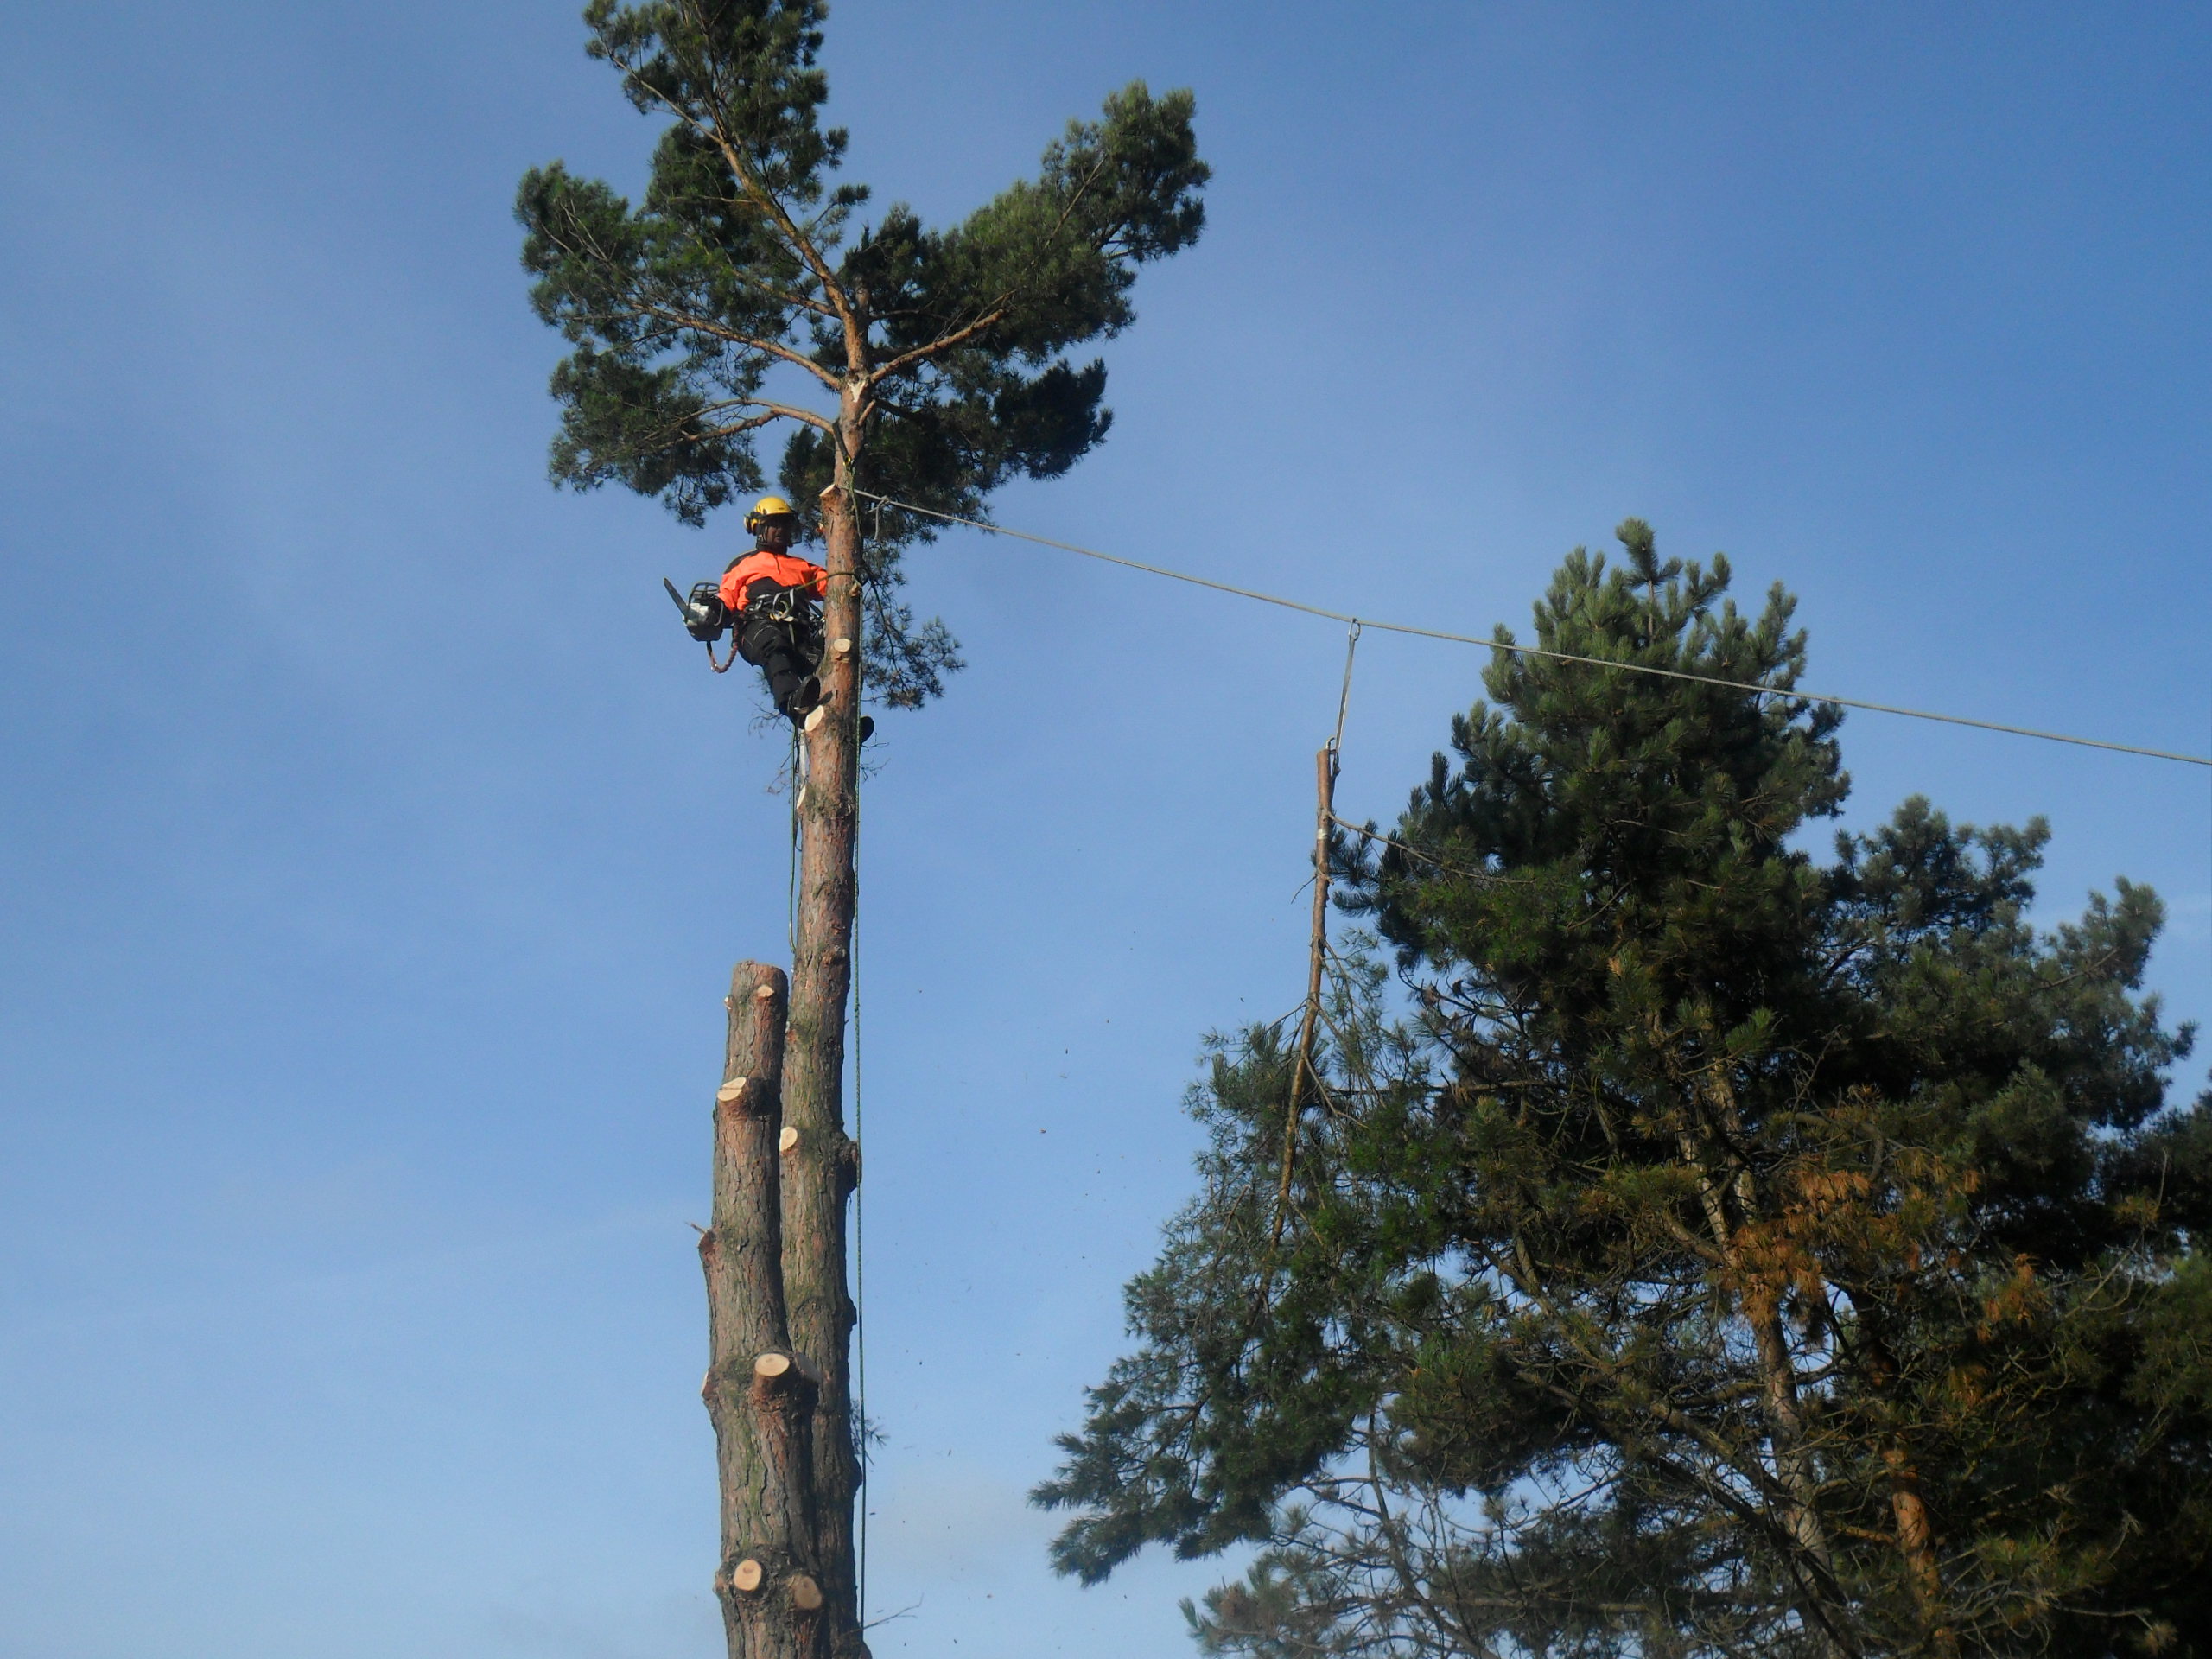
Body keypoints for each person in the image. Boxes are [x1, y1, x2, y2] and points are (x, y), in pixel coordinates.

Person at [719, 495, 829, 720]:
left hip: (798, 632)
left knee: (825, 662)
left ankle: (839, 717)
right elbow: (726, 596)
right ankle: (792, 704)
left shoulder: (802, 567)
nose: (781, 530)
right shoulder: (744, 565)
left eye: (785, 525)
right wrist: (712, 609)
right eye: (775, 524)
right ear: (759, 528)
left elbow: (835, 583)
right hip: (757, 626)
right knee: (774, 646)